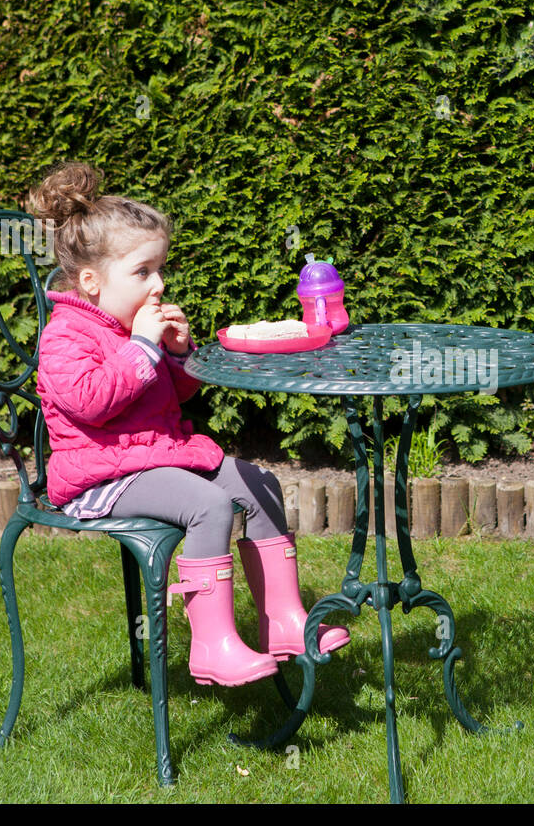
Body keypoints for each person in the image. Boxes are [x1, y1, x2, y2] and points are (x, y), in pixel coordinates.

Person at [26, 161, 349, 687]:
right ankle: (213, 646)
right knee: (208, 503)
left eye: (160, 270)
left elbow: (171, 396)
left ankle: (285, 622)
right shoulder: (65, 336)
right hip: (97, 478)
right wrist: (143, 348)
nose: (158, 285)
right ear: (90, 281)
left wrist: (176, 357)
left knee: (259, 483)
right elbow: (91, 404)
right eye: (142, 272)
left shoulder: (131, 326)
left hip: (154, 455)